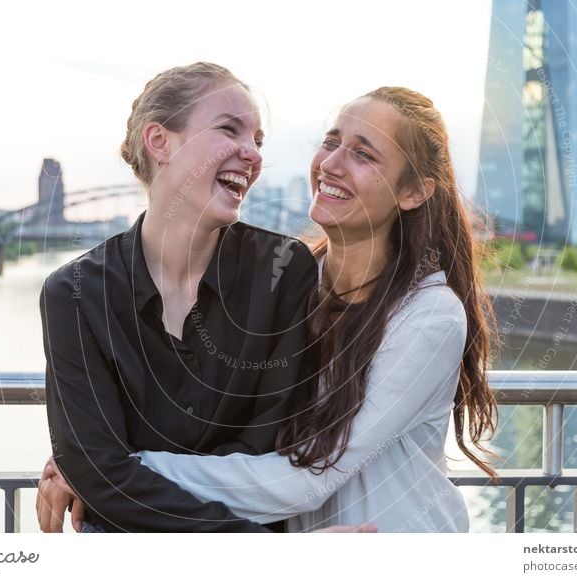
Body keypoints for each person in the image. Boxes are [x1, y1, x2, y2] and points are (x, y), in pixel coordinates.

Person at [51, 86, 499, 532]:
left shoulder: (427, 316)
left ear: (414, 193)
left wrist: (113, 470)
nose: (331, 164)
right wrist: (90, 452)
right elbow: (233, 425)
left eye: (363, 155)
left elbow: (307, 477)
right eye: (330, 142)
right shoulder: (292, 278)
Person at [37, 62, 363, 533]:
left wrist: (117, 476)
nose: (251, 154)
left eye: (258, 141)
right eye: (230, 129)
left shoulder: (283, 270)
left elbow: (272, 443)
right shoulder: (73, 293)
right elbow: (96, 468)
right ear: (160, 141)